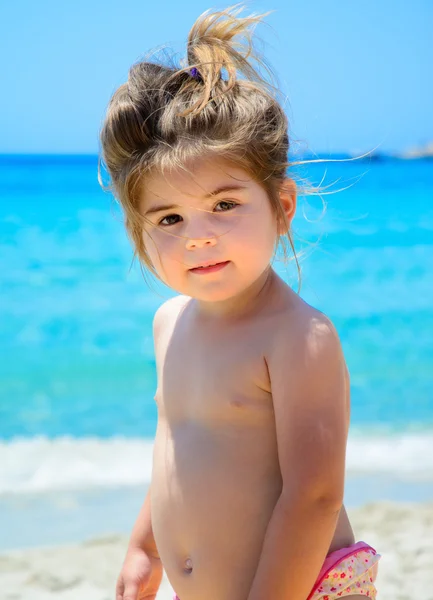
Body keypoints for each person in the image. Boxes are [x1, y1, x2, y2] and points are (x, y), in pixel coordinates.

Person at [98, 5, 381, 600]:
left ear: (283, 207)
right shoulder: (168, 322)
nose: (198, 235)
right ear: (138, 234)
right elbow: (175, 441)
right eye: (169, 218)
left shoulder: (297, 337)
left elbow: (314, 494)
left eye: (224, 206)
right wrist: (144, 549)